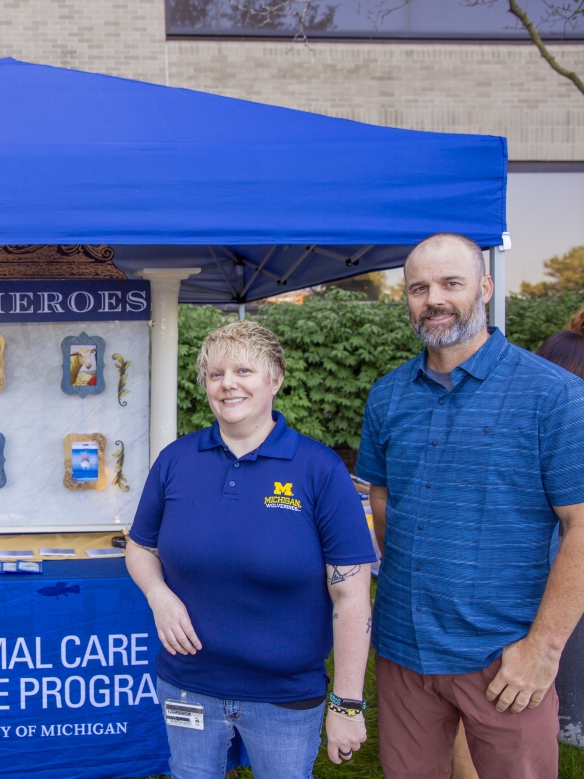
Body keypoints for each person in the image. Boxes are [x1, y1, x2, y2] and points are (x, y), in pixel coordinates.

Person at [357, 233, 584, 779]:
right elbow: (382, 499)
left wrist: (543, 650)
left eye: (450, 283)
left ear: (483, 287)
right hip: (404, 651)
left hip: (504, 657)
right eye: (418, 287)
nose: (433, 298)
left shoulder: (553, 395)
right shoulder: (388, 395)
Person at [126, 320, 377, 779]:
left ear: (275, 379)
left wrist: (346, 703)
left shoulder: (318, 469)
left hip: (284, 695)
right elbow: (140, 546)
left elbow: (352, 594)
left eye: (244, 370)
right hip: (189, 686)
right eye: (216, 374)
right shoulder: (176, 461)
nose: (228, 385)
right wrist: (158, 596)